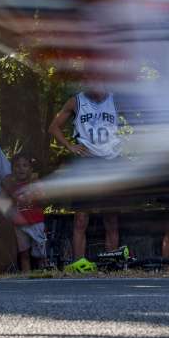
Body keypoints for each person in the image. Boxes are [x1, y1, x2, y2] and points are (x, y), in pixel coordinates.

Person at [48, 86, 122, 260]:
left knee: (111, 218)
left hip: (110, 163)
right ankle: (79, 263)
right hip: (86, 163)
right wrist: (70, 146)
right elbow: (54, 127)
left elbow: (140, 122)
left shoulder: (115, 99)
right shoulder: (76, 101)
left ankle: (112, 261)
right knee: (81, 217)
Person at [6, 153, 47, 271]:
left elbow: (43, 199)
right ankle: (26, 277)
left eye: (25, 165)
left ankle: (43, 276)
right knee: (24, 254)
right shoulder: (11, 186)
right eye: (17, 166)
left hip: (36, 223)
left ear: (31, 169)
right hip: (19, 226)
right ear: (12, 169)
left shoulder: (36, 183)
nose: (21, 169)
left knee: (40, 254)